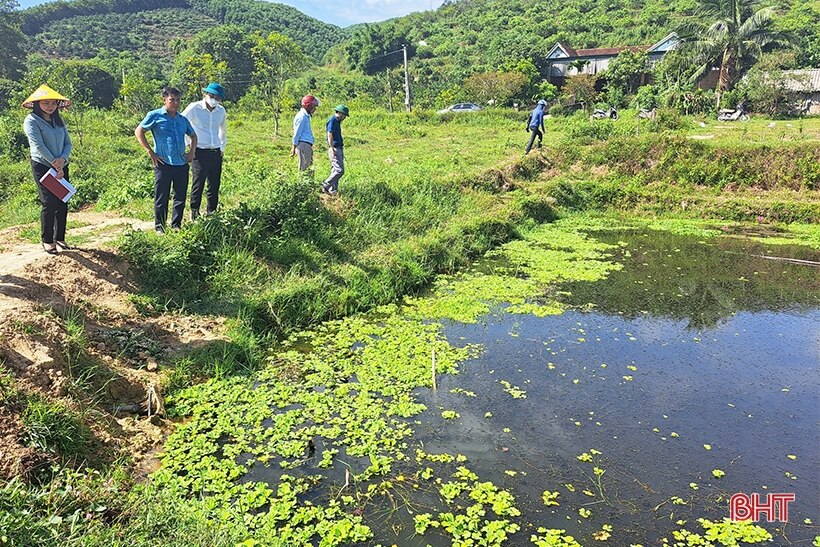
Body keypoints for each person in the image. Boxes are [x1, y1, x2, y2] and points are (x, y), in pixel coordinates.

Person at [135, 87, 197, 233]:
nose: (175, 103)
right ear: (164, 100)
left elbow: (193, 135)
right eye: (172, 100)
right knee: (161, 197)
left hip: (181, 163)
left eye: (177, 100)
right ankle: (160, 227)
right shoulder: (155, 115)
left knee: (180, 196)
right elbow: (139, 131)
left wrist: (192, 152)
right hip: (163, 163)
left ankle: (176, 225)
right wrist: (150, 151)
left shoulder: (182, 119)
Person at [21, 84, 73, 254]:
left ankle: (60, 238)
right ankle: (47, 240)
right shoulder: (31, 121)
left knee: (62, 201)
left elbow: (68, 143)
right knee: (49, 202)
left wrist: (62, 160)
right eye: (46, 103)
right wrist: (54, 162)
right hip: (43, 165)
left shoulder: (59, 120)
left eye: (53, 103)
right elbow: (38, 145)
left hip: (62, 165)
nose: (50, 107)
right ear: (37, 104)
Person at [182, 82, 227, 220]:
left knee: (214, 183)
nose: (214, 99)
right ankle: (194, 212)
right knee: (198, 182)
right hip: (199, 151)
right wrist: (189, 145)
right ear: (205, 94)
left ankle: (211, 212)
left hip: (215, 151)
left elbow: (223, 130)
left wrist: (222, 147)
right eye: (212, 96)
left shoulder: (221, 111)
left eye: (217, 98)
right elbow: (181, 124)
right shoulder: (194, 108)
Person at [321, 104, 349, 196]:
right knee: (339, 170)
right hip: (335, 148)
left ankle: (333, 191)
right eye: (344, 116)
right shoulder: (332, 120)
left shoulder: (337, 121)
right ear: (340, 113)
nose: (344, 118)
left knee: (334, 170)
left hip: (339, 147)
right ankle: (325, 185)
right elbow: (330, 134)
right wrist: (331, 148)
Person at [290, 95, 320, 173]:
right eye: (314, 107)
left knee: (309, 169)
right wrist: (294, 147)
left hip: (306, 145)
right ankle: (302, 184)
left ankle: (308, 185)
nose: (315, 109)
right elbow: (297, 133)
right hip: (303, 145)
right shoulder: (302, 116)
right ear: (309, 106)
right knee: (304, 169)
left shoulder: (306, 116)